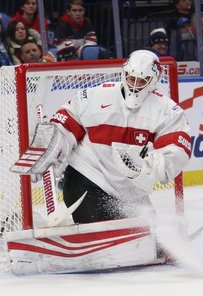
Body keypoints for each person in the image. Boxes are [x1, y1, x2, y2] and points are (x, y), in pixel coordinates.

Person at [22, 49, 191, 224]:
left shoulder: (168, 112)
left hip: (131, 192)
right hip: (87, 178)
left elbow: (176, 152)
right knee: (105, 237)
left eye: (142, 80)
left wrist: (147, 167)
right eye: (131, 78)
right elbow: (65, 124)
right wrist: (51, 145)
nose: (134, 84)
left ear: (153, 81)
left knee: (153, 240)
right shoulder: (95, 96)